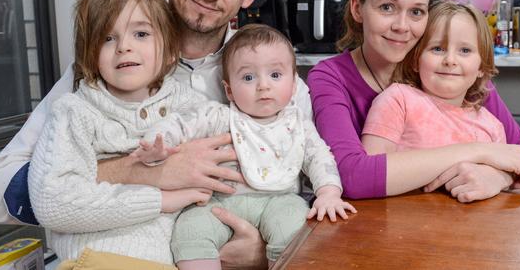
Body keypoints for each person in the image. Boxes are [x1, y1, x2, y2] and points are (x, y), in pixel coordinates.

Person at [0, 0, 301, 268]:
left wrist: (258, 251)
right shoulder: (103, 70)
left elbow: (302, 191)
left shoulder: (275, 78)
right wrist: (141, 172)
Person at [307, 0, 520, 204]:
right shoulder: (330, 77)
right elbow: (352, 177)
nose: (402, 26)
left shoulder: (448, 73)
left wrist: (498, 177)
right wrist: (482, 152)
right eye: (387, 7)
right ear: (357, 8)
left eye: (416, 11)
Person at [133, 24, 354, 269]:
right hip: (220, 203)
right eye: (248, 77)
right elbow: (180, 123)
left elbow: (320, 157)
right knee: (190, 229)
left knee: (294, 228)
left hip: (279, 200)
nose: (263, 85)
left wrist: (328, 192)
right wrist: (158, 143)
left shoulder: (297, 124)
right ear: (228, 89)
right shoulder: (218, 116)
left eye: (275, 75)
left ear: (293, 85)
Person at [28, 0, 213, 264]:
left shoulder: (189, 105)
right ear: (89, 54)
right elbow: (52, 202)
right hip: (96, 259)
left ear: (170, 50)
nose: (124, 47)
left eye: (140, 34)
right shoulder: (75, 112)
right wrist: (160, 200)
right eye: (107, 38)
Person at [362, 0, 514, 202]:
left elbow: (500, 190)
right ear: (416, 59)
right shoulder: (398, 100)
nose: (450, 60)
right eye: (438, 49)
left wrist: (503, 177)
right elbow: (370, 172)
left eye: (465, 51)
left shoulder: (492, 127)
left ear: (481, 67)